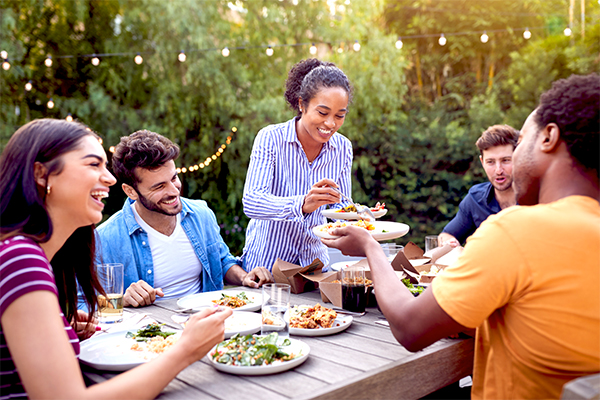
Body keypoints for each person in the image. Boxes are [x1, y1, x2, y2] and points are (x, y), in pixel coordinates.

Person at [322, 73, 599, 399]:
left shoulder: (517, 230)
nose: (504, 167)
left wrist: (370, 246)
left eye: (521, 141)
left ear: (549, 137)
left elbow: (410, 328)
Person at [0, 119, 232, 399]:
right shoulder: (20, 261)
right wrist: (185, 349)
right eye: (93, 165)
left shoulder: (24, 255)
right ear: (41, 174)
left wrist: (63, 328)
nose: (109, 178)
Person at [95, 130, 273, 308]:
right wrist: (121, 301)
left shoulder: (201, 213)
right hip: (152, 332)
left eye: (174, 178)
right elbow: (84, 306)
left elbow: (221, 261)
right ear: (130, 191)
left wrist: (244, 277)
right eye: (159, 186)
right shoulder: (105, 239)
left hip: (208, 320)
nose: (174, 191)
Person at [241, 58, 354, 272]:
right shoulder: (270, 138)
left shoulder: (343, 148)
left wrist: (359, 216)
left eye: (340, 116)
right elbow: (252, 202)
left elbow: (341, 206)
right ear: (302, 104)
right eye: (322, 113)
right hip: (266, 268)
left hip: (314, 267)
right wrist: (302, 204)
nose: (330, 124)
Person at [438, 124, 519, 247]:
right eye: (490, 162)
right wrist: (454, 247)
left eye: (506, 160)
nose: (498, 170)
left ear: (519, 158)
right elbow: (446, 235)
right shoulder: (475, 198)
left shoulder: (538, 199)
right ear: (482, 162)